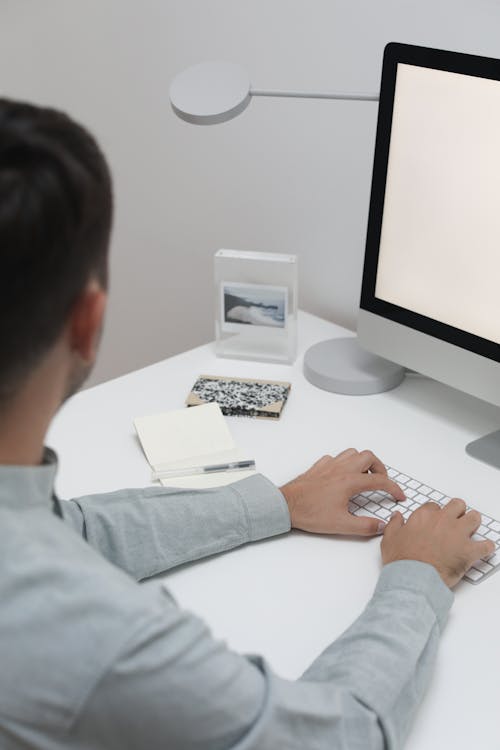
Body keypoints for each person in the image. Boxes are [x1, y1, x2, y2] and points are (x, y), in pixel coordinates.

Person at [0, 97, 492, 750]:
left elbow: (71, 532)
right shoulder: (98, 640)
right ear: (88, 322)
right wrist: (417, 578)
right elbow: (335, 740)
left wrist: (273, 504)